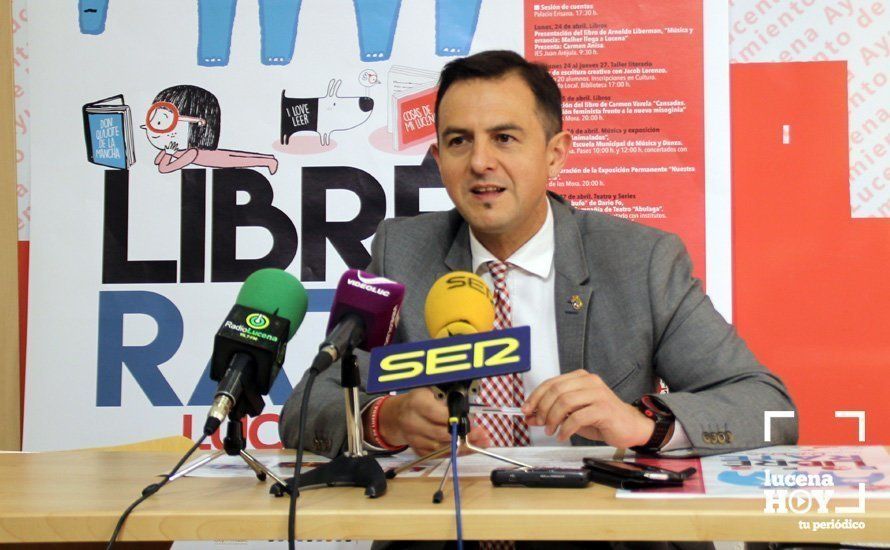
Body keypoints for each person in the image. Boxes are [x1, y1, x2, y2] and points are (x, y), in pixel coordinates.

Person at [280, 49, 796, 463]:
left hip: (599, 535)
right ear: (438, 160)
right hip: (447, 530)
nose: (481, 162)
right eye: (459, 141)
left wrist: (644, 425)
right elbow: (305, 410)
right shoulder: (402, 253)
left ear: (555, 153)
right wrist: (385, 420)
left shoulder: (642, 261)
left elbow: (769, 408)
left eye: (505, 138)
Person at [142, 84, 279, 174]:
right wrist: (168, 152)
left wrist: (169, 153)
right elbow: (156, 161)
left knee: (239, 159)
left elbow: (164, 168)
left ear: (198, 123)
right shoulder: (177, 150)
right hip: (213, 154)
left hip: (213, 158)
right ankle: (268, 159)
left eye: (161, 122)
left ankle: (267, 161)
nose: (152, 129)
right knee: (236, 156)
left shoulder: (191, 153)